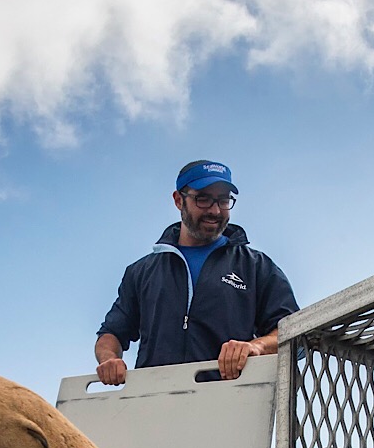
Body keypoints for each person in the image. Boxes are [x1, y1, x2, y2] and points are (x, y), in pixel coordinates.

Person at [94, 161, 298, 384]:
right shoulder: (141, 272)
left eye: (223, 200)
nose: (215, 210)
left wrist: (256, 346)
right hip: (152, 402)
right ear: (179, 200)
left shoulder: (257, 266)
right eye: (203, 198)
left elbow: (291, 330)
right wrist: (109, 360)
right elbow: (111, 333)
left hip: (231, 403)